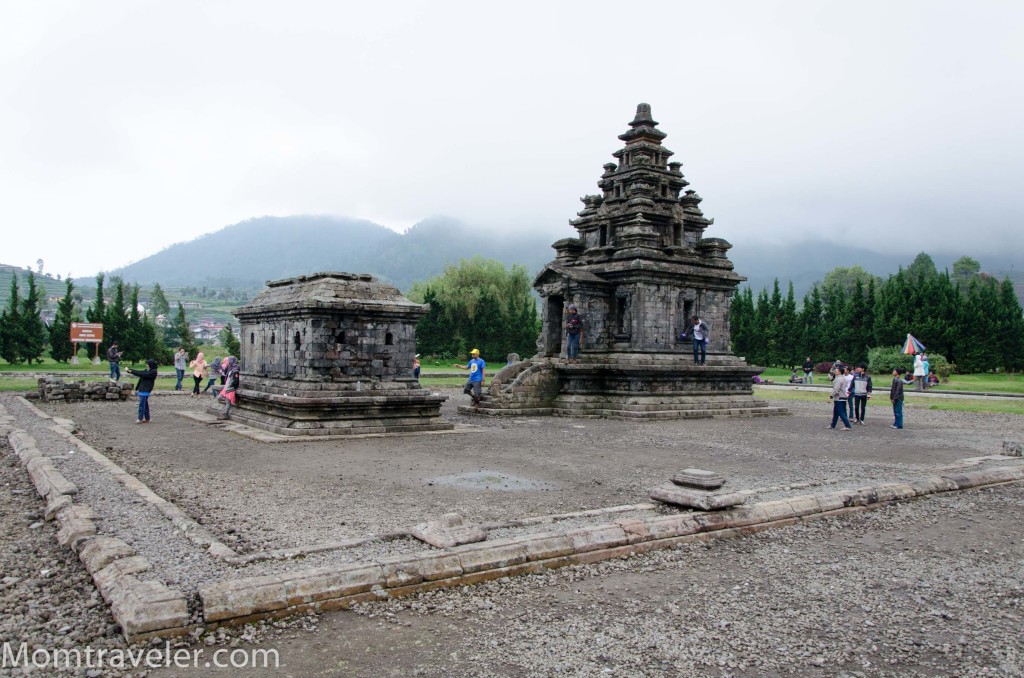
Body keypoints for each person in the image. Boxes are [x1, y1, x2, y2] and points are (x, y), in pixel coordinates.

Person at [126, 359, 158, 424]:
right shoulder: (147, 370)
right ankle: (147, 418)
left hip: (146, 389)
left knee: (141, 405)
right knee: (145, 404)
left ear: (150, 365)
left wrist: (132, 371)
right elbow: (140, 372)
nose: (146, 365)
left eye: (147, 364)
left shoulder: (153, 372)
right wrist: (130, 370)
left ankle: (140, 418)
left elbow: (143, 374)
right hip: (142, 388)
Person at [829, 365, 852, 430]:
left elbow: (836, 389)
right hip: (843, 398)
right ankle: (833, 425)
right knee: (836, 412)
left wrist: (831, 395)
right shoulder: (843, 378)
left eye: (836, 370)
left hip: (839, 398)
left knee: (841, 412)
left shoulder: (838, 379)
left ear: (839, 372)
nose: (835, 371)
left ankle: (847, 425)